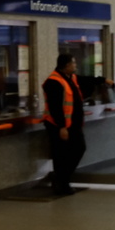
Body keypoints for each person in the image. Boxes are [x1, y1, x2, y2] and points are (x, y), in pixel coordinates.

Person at [43, 54, 86, 196]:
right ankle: (62, 183)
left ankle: (62, 179)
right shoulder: (54, 82)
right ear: (66, 65)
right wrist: (62, 127)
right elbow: (55, 107)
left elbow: (86, 81)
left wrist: (104, 80)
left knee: (78, 149)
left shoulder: (70, 78)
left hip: (72, 124)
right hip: (58, 125)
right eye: (73, 63)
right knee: (61, 154)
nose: (75, 65)